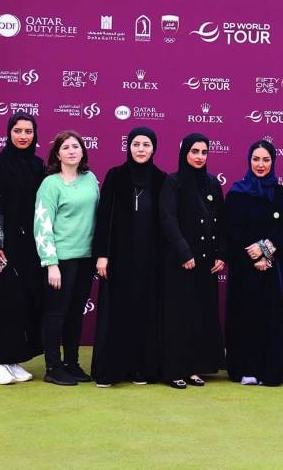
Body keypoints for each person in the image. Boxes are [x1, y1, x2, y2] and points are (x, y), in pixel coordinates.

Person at [0, 112, 45, 385]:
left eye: (28, 131)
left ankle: (12, 359)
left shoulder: (38, 166)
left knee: (21, 300)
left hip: (30, 248)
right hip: (1, 246)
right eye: (18, 130)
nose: (23, 136)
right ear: (8, 132)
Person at [91, 127, 166, 387]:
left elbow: (167, 223)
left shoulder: (161, 179)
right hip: (118, 258)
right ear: (128, 147)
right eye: (136, 144)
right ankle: (111, 370)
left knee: (144, 312)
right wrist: (102, 255)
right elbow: (103, 219)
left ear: (154, 148)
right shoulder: (115, 176)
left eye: (146, 144)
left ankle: (139, 368)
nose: (141, 149)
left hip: (150, 259)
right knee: (117, 312)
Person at [225, 140, 283, 386]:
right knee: (246, 316)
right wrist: (254, 256)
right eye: (256, 159)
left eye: (266, 160)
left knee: (271, 317)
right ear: (249, 161)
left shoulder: (281, 194)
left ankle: (271, 370)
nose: (260, 164)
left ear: (273, 162)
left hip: (274, 268)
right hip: (245, 270)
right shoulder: (237, 193)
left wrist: (266, 251)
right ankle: (246, 368)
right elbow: (233, 230)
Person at [159, 133, 227, 389]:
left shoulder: (212, 183)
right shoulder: (173, 182)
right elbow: (168, 219)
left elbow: (221, 222)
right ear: (184, 153)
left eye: (204, 152)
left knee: (200, 315)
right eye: (194, 151)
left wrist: (221, 254)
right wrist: (184, 253)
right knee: (179, 316)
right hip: (181, 263)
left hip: (207, 264)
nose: (199, 157)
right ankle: (176, 369)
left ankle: (196, 367)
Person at [34, 131, 100, 386]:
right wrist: (51, 263)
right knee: (56, 313)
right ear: (58, 154)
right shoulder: (51, 184)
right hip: (60, 260)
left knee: (75, 314)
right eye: (66, 147)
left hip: (86, 258)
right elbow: (42, 225)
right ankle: (53, 366)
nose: (72, 151)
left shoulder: (90, 179)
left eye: (76, 146)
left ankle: (72, 363)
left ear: (82, 152)